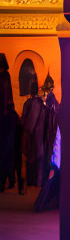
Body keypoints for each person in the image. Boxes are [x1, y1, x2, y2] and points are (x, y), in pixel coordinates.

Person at [20, 83, 46, 190]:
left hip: (34, 134)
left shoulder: (32, 103)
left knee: (33, 157)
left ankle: (33, 180)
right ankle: (35, 180)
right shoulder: (40, 103)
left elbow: (29, 119)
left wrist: (26, 130)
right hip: (38, 133)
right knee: (37, 156)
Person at [0, 55, 17, 192]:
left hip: (5, 119)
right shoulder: (5, 76)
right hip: (6, 117)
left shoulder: (5, 76)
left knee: (5, 152)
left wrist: (5, 111)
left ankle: (6, 180)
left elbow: (6, 95)